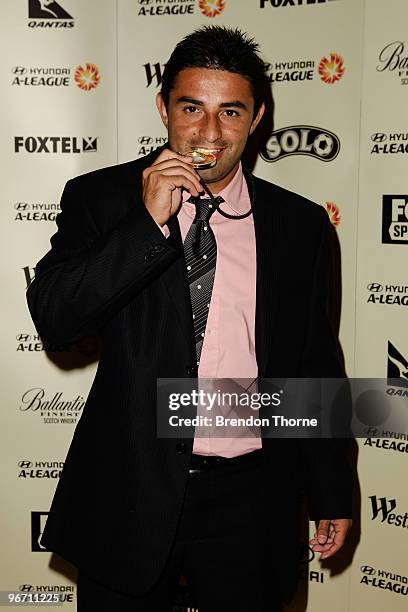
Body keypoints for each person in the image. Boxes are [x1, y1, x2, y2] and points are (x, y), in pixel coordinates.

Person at [26, 26, 353, 612]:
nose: (209, 133)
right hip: (131, 488)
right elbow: (56, 318)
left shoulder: (300, 226)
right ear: (163, 108)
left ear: (256, 120)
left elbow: (314, 365)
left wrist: (331, 489)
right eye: (191, 108)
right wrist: (145, 225)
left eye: (230, 111)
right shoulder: (101, 199)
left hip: (253, 496)